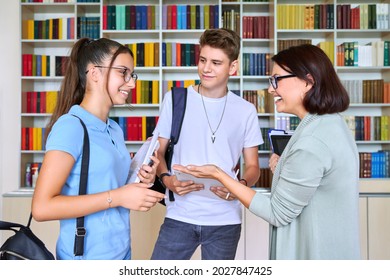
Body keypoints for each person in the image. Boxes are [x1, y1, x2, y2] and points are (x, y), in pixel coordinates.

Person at [173, 44, 361, 260]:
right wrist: (285, 165)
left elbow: (277, 212)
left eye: (276, 80)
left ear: (308, 82)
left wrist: (218, 174)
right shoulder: (330, 124)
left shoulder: (312, 140)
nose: (271, 89)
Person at [31, 38, 165, 260]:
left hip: (120, 253)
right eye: (123, 72)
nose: (131, 83)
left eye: (132, 75)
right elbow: (42, 208)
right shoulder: (71, 126)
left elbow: (110, 185)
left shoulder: (113, 129)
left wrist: (142, 179)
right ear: (94, 73)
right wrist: (119, 197)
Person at [151, 28, 264, 260]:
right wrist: (167, 180)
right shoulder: (175, 99)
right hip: (180, 216)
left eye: (216, 62)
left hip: (225, 221)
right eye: (203, 60)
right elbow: (158, 153)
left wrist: (238, 187)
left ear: (232, 67)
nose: (206, 68)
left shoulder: (246, 110)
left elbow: (253, 167)